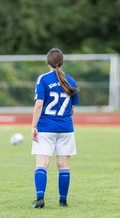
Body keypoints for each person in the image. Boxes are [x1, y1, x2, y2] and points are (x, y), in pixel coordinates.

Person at [31, 48, 79, 208]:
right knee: (64, 165)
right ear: (62, 61)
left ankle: (40, 199)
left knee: (42, 163)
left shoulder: (43, 79)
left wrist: (33, 126)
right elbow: (72, 109)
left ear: (47, 62)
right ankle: (63, 201)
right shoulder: (71, 81)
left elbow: (39, 105)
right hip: (66, 128)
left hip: (46, 128)